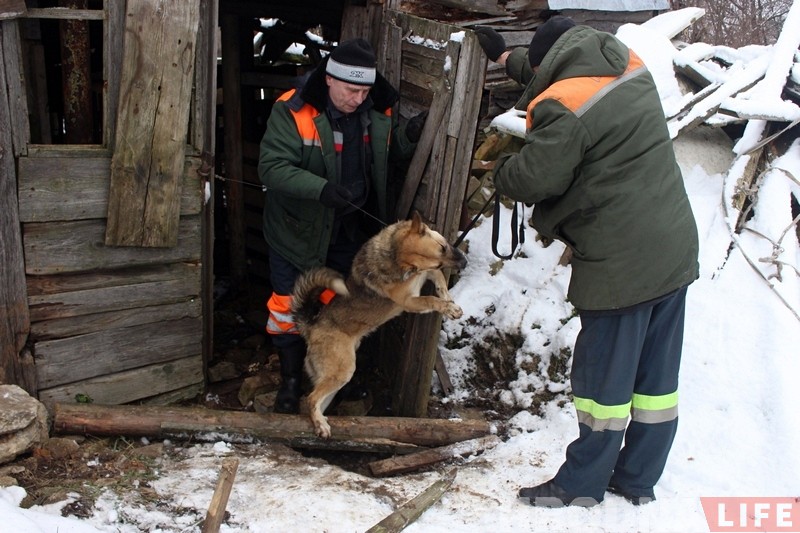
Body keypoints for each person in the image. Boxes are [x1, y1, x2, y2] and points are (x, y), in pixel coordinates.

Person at [474, 17, 699, 507]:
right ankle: (637, 479)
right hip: (673, 247)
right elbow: (554, 73)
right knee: (655, 384)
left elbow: (535, 178)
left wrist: (503, 169)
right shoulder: (623, 63)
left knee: (604, 385)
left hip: (622, 262)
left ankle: (581, 485)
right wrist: (504, 58)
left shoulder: (563, 106)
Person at [258, 38, 426, 414]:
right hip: (297, 231)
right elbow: (271, 167)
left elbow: (387, 156)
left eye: (364, 91)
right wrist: (321, 189)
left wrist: (409, 136)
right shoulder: (292, 109)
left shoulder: (375, 108)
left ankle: (336, 377)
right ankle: (289, 382)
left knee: (345, 305)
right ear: (330, 79)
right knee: (287, 306)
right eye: (351, 90)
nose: (357, 98)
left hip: (349, 231)